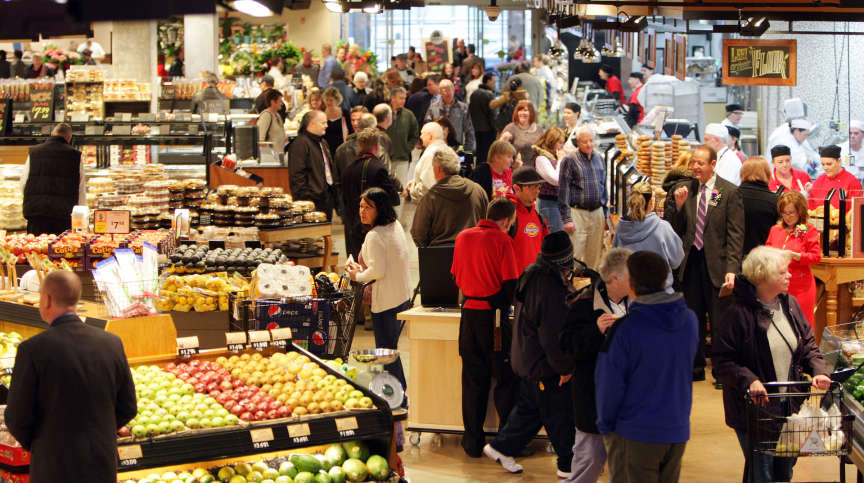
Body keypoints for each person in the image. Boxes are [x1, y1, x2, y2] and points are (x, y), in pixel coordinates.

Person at [5, 270, 137, 483]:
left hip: (53, 466)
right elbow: (128, 406)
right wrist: (99, 433)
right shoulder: (111, 343)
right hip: (100, 461)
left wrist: (42, 444)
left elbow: (17, 417)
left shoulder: (33, 350)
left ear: (46, 300)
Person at [712, 245, 830, 483]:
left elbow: (807, 345)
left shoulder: (790, 304)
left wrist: (819, 370)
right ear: (762, 276)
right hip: (754, 411)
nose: (789, 275)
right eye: (782, 272)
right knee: (761, 473)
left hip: (790, 407)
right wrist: (750, 379)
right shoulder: (738, 313)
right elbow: (722, 362)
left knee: (784, 472)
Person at [596, 251, 698, 483]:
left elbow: (609, 385)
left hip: (636, 432)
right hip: (677, 429)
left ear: (631, 285)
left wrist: (606, 426)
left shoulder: (625, 330)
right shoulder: (689, 320)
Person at [483, 231, 576, 477]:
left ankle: (500, 447)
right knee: (559, 414)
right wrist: (564, 367)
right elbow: (552, 335)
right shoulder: (551, 287)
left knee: (530, 410)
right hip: (542, 363)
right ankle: (568, 465)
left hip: (526, 356)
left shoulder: (532, 273)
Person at [666, 145, 745, 384]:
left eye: (700, 163)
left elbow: (735, 235)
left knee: (721, 322)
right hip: (691, 265)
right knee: (692, 319)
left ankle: (722, 371)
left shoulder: (727, 192)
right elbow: (675, 229)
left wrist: (733, 269)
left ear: (713, 165)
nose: (695, 167)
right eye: (693, 163)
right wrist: (678, 208)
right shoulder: (685, 190)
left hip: (718, 267)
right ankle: (695, 367)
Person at [451, 197, 521, 458]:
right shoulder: (503, 241)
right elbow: (511, 283)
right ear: (505, 220)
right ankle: (506, 442)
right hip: (494, 318)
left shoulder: (463, 237)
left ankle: (472, 441)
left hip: (468, 315)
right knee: (505, 378)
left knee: (472, 380)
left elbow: (456, 275)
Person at [560, 248, 632, 483]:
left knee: (626, 468)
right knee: (589, 462)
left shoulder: (638, 303)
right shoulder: (583, 304)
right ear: (614, 279)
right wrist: (596, 331)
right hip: (593, 401)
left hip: (628, 404)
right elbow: (568, 346)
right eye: (630, 277)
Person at [345, 188, 411, 392]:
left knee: (386, 352)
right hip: (402, 295)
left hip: (385, 302)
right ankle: (397, 391)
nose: (362, 211)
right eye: (361, 206)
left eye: (368, 207)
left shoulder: (375, 235)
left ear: (380, 208)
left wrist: (357, 275)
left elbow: (377, 271)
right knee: (390, 349)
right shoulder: (395, 225)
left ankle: (396, 395)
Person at [612, 181, 684, 291]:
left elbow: (615, 261)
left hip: (630, 295)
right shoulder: (663, 228)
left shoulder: (621, 228)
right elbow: (677, 260)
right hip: (660, 295)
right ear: (651, 202)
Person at [412, 146, 488, 248]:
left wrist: (429, 249)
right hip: (472, 252)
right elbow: (487, 222)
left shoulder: (431, 197)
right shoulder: (477, 190)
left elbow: (418, 232)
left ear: (438, 169)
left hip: (439, 256)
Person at [765, 191, 821, 327]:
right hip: (778, 286)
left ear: (800, 212)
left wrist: (797, 256)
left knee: (802, 326)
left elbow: (816, 257)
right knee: (779, 326)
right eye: (784, 213)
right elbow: (766, 252)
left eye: (791, 213)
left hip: (801, 287)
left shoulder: (809, 230)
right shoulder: (775, 230)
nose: (788, 217)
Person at [21, 123, 85, 235]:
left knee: (35, 248)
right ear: (69, 138)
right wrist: (80, 216)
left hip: (37, 213)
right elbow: (81, 189)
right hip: (63, 215)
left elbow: (23, 183)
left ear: (51, 134)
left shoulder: (34, 152)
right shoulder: (76, 155)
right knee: (60, 249)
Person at [558, 126, 607, 270]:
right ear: (578, 142)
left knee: (595, 255)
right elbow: (563, 191)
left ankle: (593, 287)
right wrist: (566, 219)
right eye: (585, 141)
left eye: (591, 141)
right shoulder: (569, 160)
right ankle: (572, 286)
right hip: (577, 213)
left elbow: (603, 187)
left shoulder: (600, 158)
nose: (589, 144)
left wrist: (605, 213)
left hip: (597, 212)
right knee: (575, 253)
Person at [288, 110, 336, 219]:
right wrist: (305, 199)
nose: (326, 126)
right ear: (312, 124)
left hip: (326, 197)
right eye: (323, 123)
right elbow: (297, 175)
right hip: (310, 200)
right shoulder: (300, 143)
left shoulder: (322, 142)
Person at [333, 113, 379, 219]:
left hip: (349, 204)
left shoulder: (341, 149)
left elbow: (337, 181)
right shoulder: (378, 146)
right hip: (371, 203)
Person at [506, 167, 549, 272]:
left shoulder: (538, 216)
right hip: (514, 282)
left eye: (538, 187)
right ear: (517, 188)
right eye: (531, 187)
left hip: (534, 280)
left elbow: (547, 248)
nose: (537, 191)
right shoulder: (506, 214)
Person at [738, 158, 779, 256]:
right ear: (767, 174)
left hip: (735, 257)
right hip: (765, 257)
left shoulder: (730, 194)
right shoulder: (775, 201)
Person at [808, 144, 864, 210]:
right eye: (823, 164)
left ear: (839, 161)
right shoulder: (819, 181)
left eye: (829, 164)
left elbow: (856, 212)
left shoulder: (852, 182)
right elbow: (810, 207)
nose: (825, 167)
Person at [532, 127, 567, 233]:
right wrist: (561, 160)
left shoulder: (553, 156)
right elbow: (556, 180)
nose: (562, 146)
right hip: (548, 203)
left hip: (557, 203)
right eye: (560, 143)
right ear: (552, 142)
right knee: (555, 236)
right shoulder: (541, 158)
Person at [425, 79, 475, 151]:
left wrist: (467, 149)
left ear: (454, 90)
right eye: (444, 90)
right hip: (437, 148)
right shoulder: (433, 108)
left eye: (449, 89)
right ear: (440, 92)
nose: (447, 93)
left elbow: (469, 130)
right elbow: (427, 128)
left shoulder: (463, 108)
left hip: (456, 148)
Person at [469, 73, 508, 164]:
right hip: (488, 129)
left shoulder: (474, 94)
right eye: (494, 81)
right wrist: (496, 128)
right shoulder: (489, 95)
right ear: (488, 81)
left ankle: (479, 171)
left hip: (476, 128)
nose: (494, 83)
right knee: (488, 153)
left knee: (480, 153)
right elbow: (492, 115)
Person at [385, 87, 419, 189]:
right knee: (386, 188)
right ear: (393, 98)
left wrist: (407, 148)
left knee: (400, 188)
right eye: (401, 98)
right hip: (385, 158)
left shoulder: (408, 115)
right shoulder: (384, 112)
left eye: (405, 98)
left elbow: (415, 134)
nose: (403, 101)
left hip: (402, 157)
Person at [406, 122, 448, 202]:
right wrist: (414, 183)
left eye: (422, 134)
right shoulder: (444, 148)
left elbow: (428, 186)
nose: (420, 136)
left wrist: (412, 190)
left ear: (430, 136)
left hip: (430, 205)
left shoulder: (431, 154)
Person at [500, 100, 542, 167]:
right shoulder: (511, 128)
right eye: (520, 110)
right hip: (517, 169)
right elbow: (499, 149)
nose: (522, 113)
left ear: (531, 112)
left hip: (536, 169)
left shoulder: (539, 129)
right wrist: (503, 140)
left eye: (525, 110)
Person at [322, 87, 353, 159]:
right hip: (326, 147)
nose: (328, 102)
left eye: (331, 100)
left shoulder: (344, 113)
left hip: (342, 146)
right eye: (326, 100)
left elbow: (350, 129)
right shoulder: (322, 113)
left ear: (337, 101)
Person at [256, 89, 286, 153]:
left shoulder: (277, 116)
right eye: (280, 101)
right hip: (270, 157)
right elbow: (260, 137)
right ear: (272, 102)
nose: (282, 104)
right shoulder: (266, 115)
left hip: (279, 155)